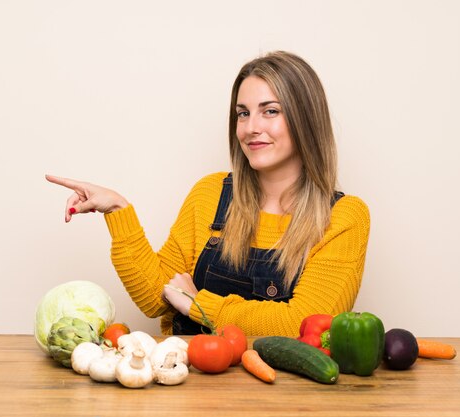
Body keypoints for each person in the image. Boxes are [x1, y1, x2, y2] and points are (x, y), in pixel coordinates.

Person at [46, 50, 370, 336]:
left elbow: (303, 323)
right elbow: (155, 298)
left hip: (280, 399)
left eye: (270, 111)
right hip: (188, 386)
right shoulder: (211, 194)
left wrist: (198, 304)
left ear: (306, 119)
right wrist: (118, 210)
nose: (250, 127)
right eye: (243, 113)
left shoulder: (344, 217)